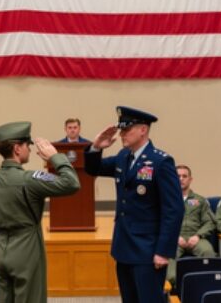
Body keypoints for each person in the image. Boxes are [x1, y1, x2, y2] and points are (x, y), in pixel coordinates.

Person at [85, 106, 183, 302]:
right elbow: (93, 168)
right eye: (121, 130)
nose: (122, 134)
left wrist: (163, 251)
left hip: (148, 250)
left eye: (127, 129)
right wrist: (96, 147)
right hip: (124, 246)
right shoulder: (123, 157)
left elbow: (174, 209)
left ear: (143, 130)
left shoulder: (160, 161)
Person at [0, 121, 80, 303]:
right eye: (27, 145)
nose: (29, 149)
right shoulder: (30, 180)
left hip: (0, 252)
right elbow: (72, 183)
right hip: (26, 249)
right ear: (17, 149)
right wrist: (56, 157)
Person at [166, 164, 216, 288]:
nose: (181, 179)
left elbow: (210, 222)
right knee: (167, 252)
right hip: (175, 238)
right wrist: (175, 237)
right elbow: (161, 222)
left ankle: (207, 285)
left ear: (190, 179)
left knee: (208, 251)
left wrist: (198, 236)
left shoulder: (200, 200)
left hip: (196, 237)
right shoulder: (167, 200)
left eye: (184, 176)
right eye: (178, 176)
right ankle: (174, 290)